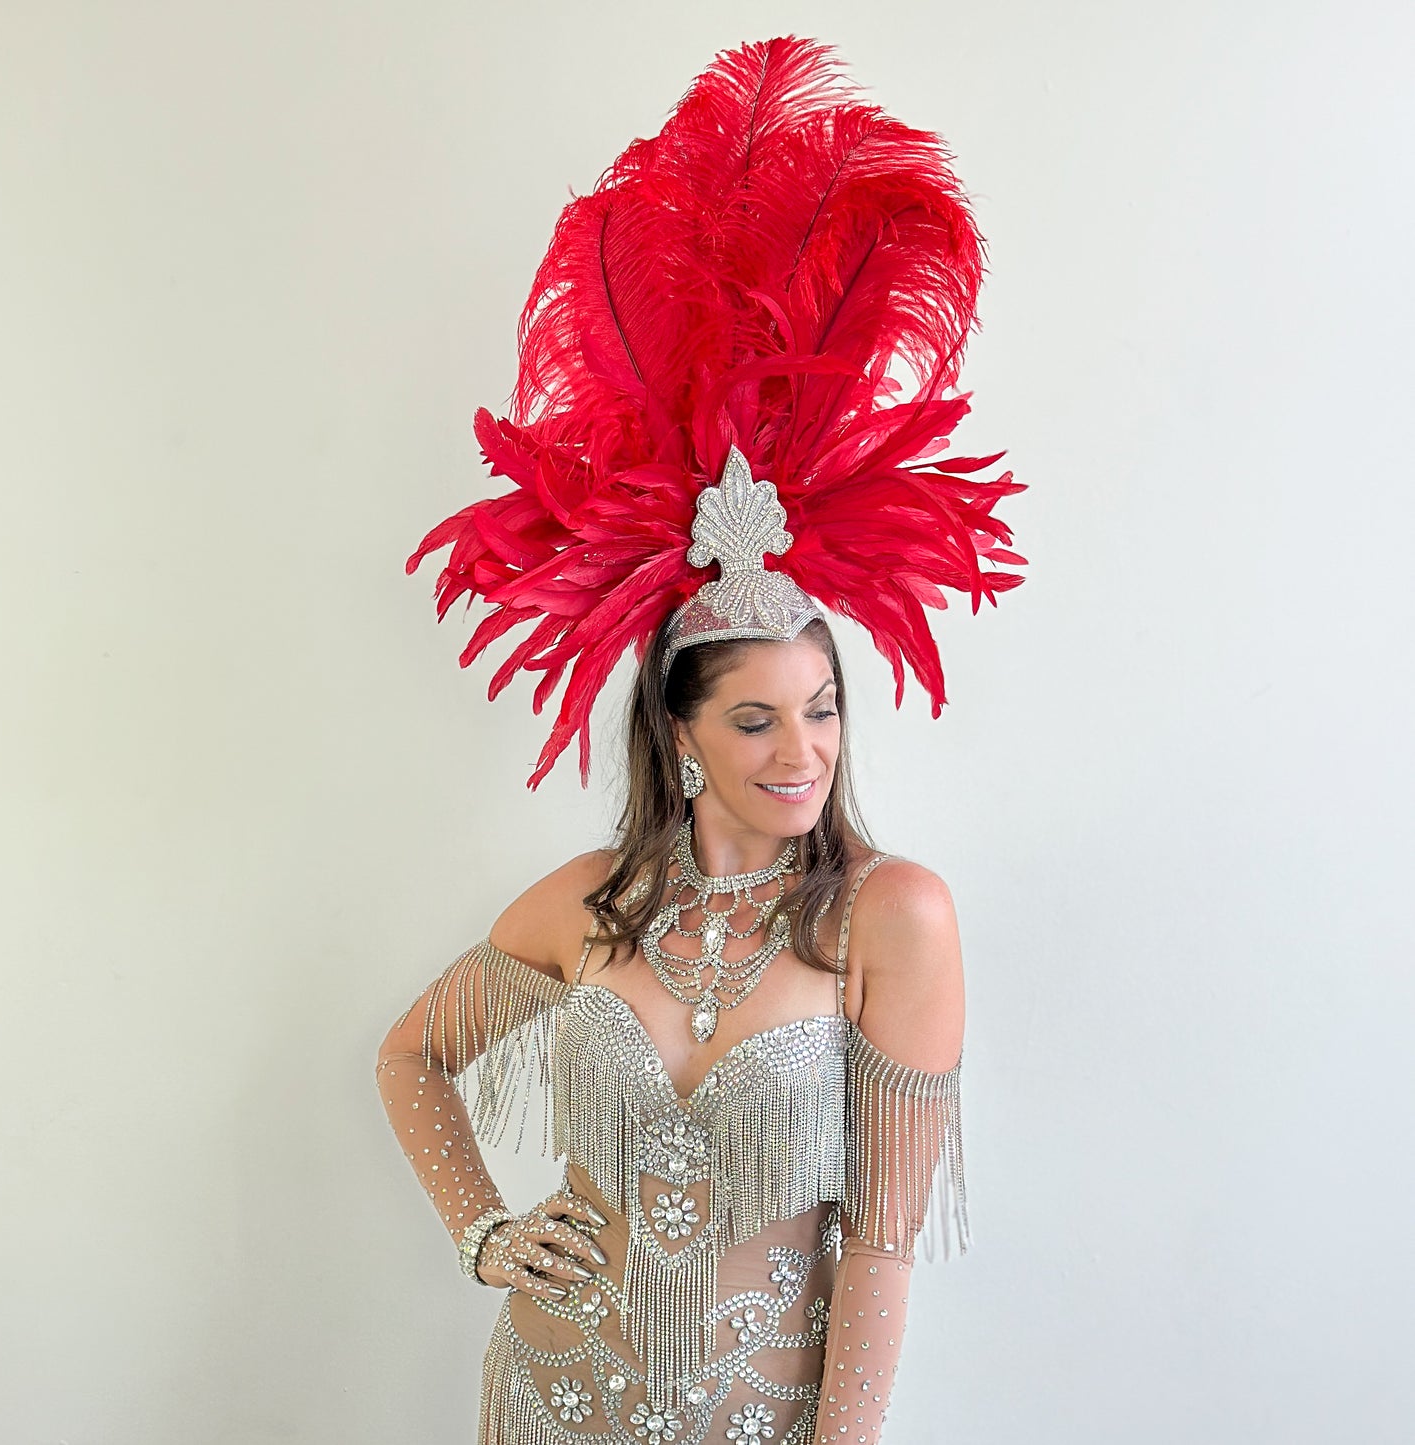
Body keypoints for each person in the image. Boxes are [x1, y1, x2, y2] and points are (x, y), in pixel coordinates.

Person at [376, 35, 1026, 1445]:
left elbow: (881, 1242)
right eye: (754, 716)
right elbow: (409, 1055)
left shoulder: (885, 918)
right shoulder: (592, 904)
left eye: (822, 706)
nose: (801, 747)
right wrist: (483, 1227)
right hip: (551, 1398)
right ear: (678, 736)